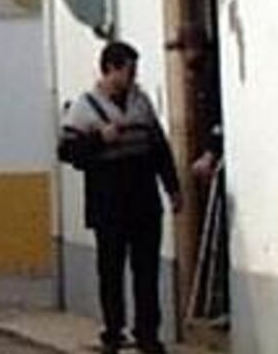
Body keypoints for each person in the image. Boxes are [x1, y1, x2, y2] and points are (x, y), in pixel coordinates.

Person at [59, 41, 181, 354]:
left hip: (144, 200)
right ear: (111, 69)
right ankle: (113, 331)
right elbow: (67, 151)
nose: (133, 77)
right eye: (129, 70)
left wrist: (172, 188)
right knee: (111, 271)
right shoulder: (85, 107)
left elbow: (159, 148)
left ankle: (147, 333)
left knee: (147, 270)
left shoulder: (141, 103)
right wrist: (99, 138)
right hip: (108, 203)